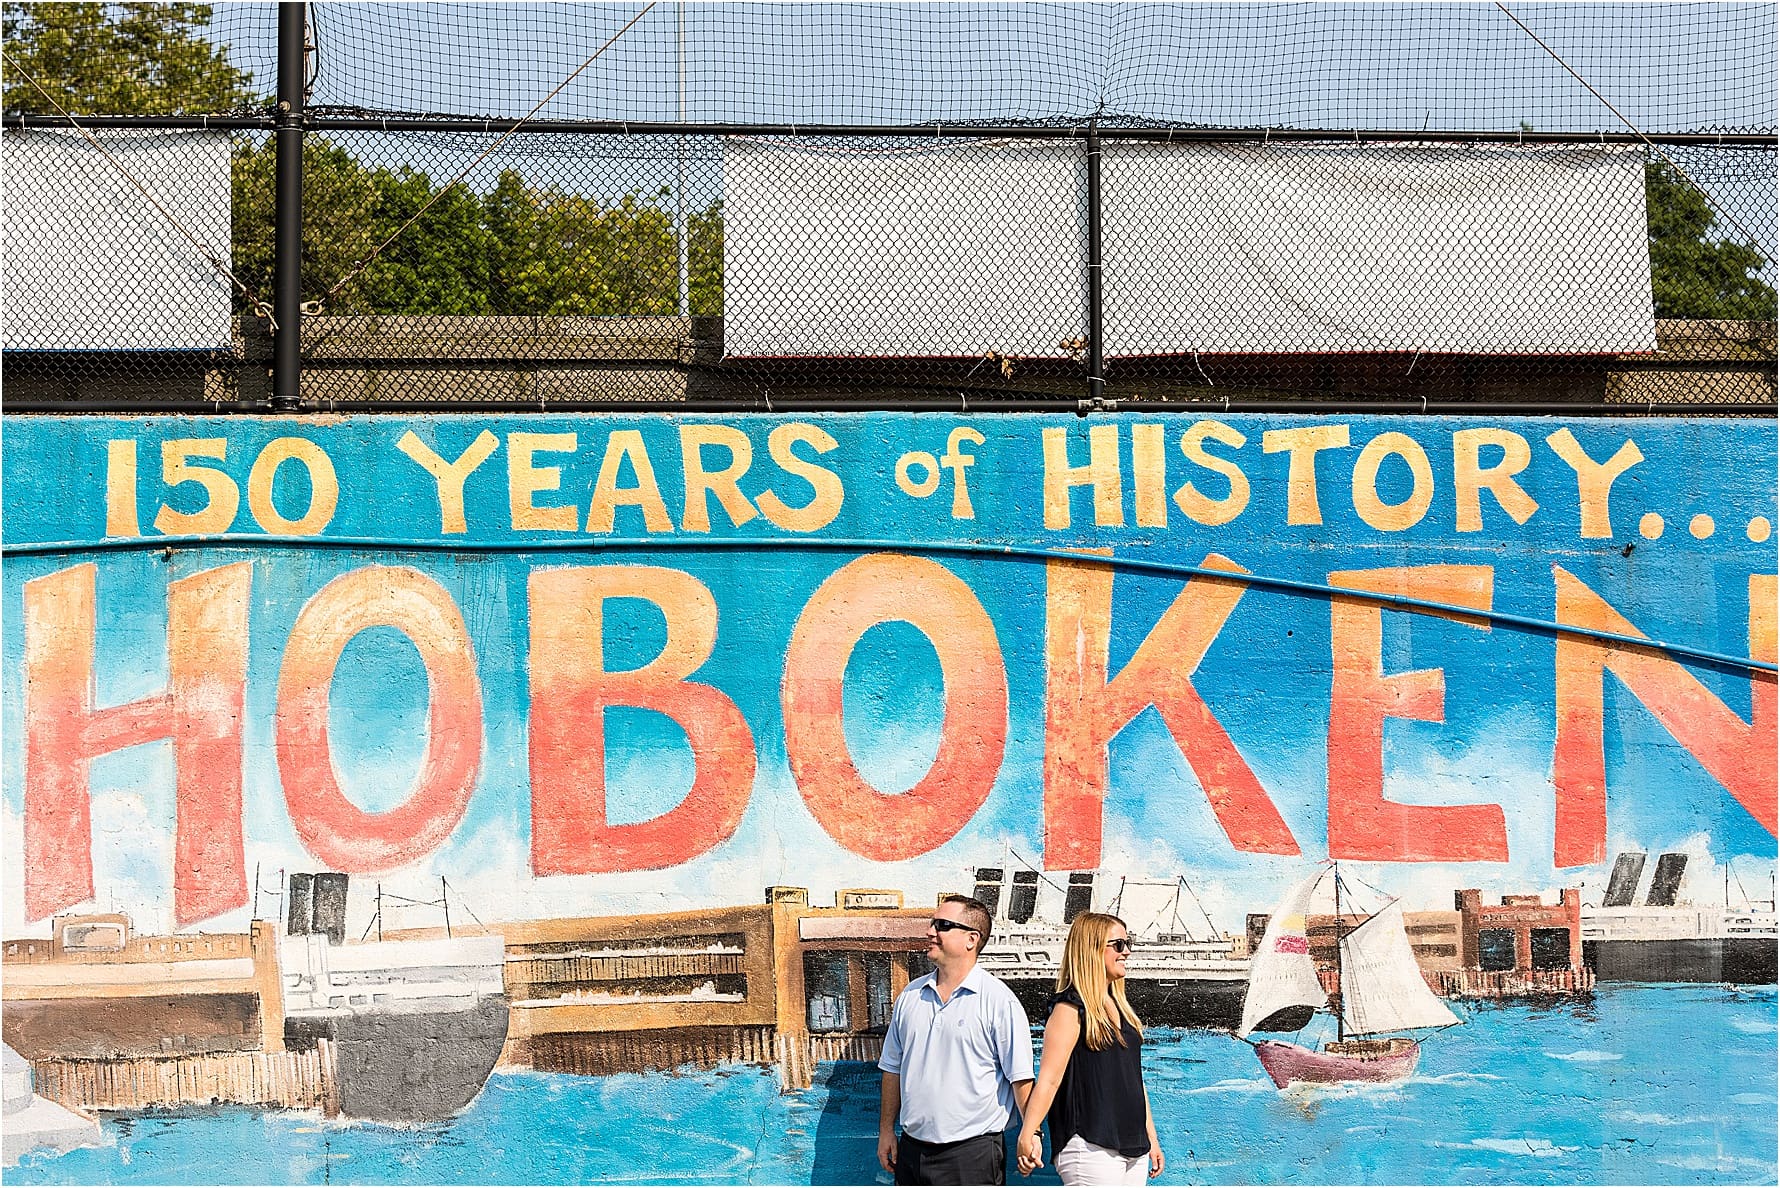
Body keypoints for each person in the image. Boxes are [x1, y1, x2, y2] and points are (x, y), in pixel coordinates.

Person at [877, 894, 1035, 1185]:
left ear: (971, 939)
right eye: (932, 923)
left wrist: (1032, 1133)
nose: (930, 931)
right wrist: (886, 1130)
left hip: (972, 1156)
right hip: (912, 1151)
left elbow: (1021, 1078)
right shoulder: (910, 997)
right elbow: (892, 1068)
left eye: (942, 925)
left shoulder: (999, 1002)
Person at [1015, 912, 1164, 1185]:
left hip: (1134, 1146)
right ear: (1092, 949)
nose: (1127, 952)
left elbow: (1134, 1080)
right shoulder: (1070, 1008)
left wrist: (1151, 1138)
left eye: (1127, 943)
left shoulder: (1122, 1010)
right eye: (1118, 944)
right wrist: (1030, 1132)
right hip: (1090, 1144)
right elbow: (1049, 1078)